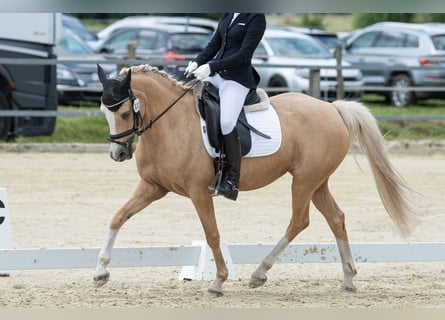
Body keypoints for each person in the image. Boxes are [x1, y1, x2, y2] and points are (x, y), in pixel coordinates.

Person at [185, 13, 266, 201]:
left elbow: (244, 55)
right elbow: (214, 45)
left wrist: (212, 67)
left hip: (236, 79)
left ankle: (232, 181)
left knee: (227, 122)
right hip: (216, 75)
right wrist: (197, 61)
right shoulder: (229, 14)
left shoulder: (256, 17)